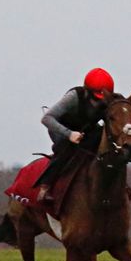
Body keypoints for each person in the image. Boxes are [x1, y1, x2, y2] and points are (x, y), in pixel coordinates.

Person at [34, 67, 114, 203]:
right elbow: (47, 119)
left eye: (102, 99)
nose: (98, 103)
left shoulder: (106, 101)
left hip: (84, 129)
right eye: (95, 98)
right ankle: (45, 187)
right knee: (67, 148)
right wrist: (69, 134)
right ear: (88, 92)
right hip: (61, 129)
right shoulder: (74, 97)